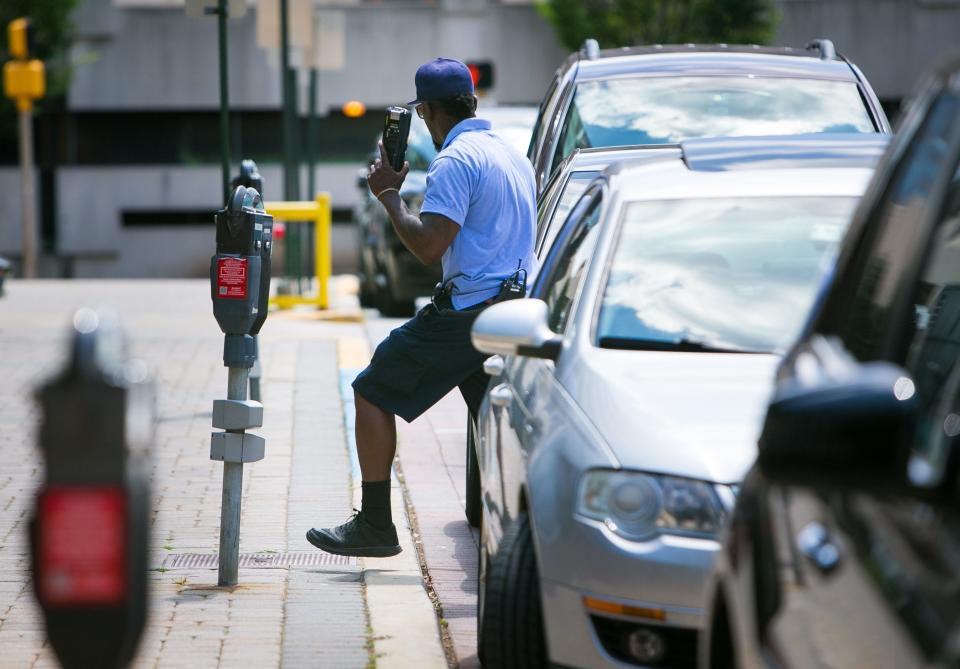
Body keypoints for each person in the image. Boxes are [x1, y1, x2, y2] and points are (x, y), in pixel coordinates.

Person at [306, 57, 537, 557]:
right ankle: (529, 529)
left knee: (371, 391)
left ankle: (373, 525)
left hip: (470, 315)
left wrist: (389, 196)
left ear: (428, 111)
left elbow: (429, 245)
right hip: (513, 309)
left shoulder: (455, 161)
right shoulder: (510, 154)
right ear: (472, 103)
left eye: (424, 115)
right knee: (498, 422)